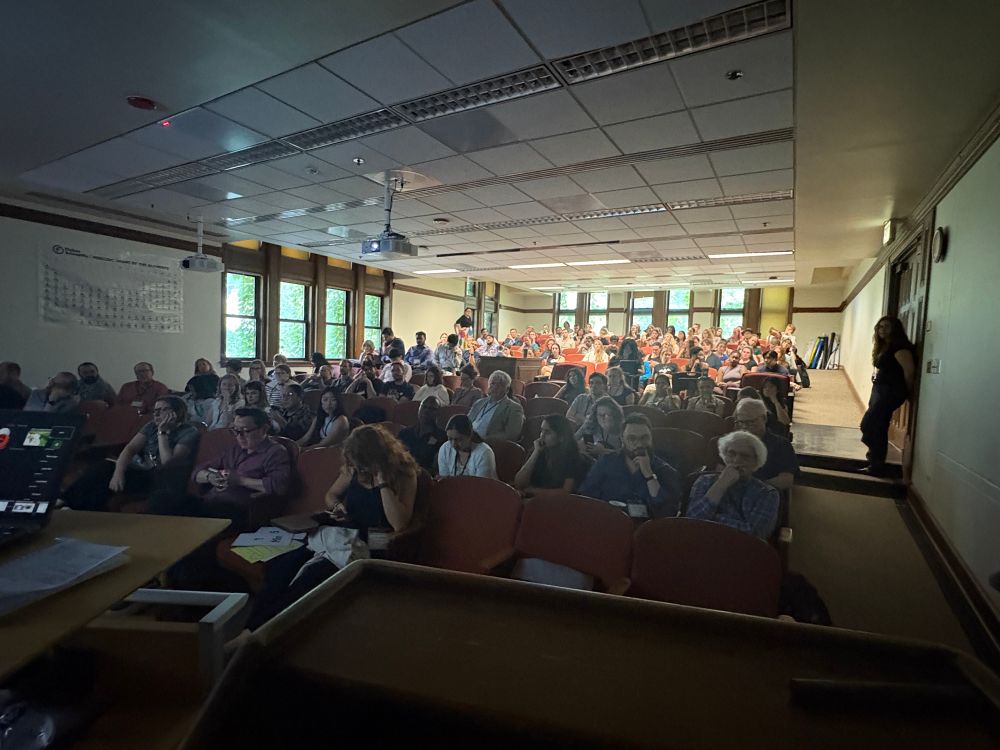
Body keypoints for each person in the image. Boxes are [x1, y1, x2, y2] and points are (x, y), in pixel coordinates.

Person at [242, 425, 417, 632]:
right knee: (282, 569)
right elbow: (331, 495)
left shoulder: (405, 473)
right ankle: (249, 630)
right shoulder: (353, 469)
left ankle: (263, 633)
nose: (360, 470)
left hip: (375, 540)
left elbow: (399, 524)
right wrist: (337, 506)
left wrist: (383, 483)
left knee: (309, 579)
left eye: (363, 465)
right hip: (343, 532)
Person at [63, 395, 199, 512]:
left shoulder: (189, 431)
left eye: (163, 410)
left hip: (158, 477)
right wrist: (118, 473)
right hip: (140, 469)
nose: (156, 414)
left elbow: (167, 463)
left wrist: (162, 433)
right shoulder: (151, 426)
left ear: (176, 412)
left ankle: (74, 507)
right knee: (103, 468)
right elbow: (130, 449)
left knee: (102, 478)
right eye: (155, 410)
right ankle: (68, 504)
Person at [168, 407, 292, 528]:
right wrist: (210, 477)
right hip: (211, 501)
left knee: (187, 516)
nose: (239, 436)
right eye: (236, 430)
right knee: (166, 499)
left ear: (264, 429)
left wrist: (240, 480)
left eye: (245, 431)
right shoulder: (235, 449)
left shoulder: (275, 452)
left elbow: (279, 485)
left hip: (239, 509)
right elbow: (197, 472)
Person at [578, 413, 681, 519]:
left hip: (646, 526)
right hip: (608, 521)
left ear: (651, 438)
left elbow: (667, 513)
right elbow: (586, 497)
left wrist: (649, 475)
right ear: (622, 440)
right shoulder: (606, 463)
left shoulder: (666, 471)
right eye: (632, 438)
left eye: (644, 438)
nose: (639, 444)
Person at [686, 431, 780, 541]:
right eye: (731, 454)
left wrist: (712, 519)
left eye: (745, 456)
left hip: (741, 548)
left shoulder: (767, 493)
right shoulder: (705, 481)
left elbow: (754, 535)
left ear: (756, 462)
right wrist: (721, 484)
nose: (736, 460)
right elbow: (692, 520)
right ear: (724, 457)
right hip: (701, 543)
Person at [861, 315, 915, 475]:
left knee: (871, 424)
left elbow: (909, 371)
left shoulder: (899, 347)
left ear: (894, 329)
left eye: (887, 327)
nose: (882, 330)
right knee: (877, 425)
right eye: (880, 326)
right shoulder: (885, 346)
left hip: (891, 391)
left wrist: (908, 391)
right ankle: (875, 463)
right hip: (880, 389)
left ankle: (875, 462)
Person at [514, 414, 591, 493]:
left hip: (554, 499)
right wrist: (535, 452)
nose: (542, 436)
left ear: (561, 437)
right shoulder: (538, 449)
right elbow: (519, 484)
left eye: (548, 432)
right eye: (542, 431)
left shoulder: (571, 456)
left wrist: (534, 491)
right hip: (532, 496)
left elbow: (566, 491)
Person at [732, 398, 798, 490]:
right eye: (741, 422)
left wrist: (753, 488)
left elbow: (786, 480)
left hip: (765, 493)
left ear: (764, 418)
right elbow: (720, 471)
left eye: (751, 422)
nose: (745, 427)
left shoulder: (781, 444)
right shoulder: (732, 443)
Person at [467, 370, 524, 441]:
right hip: (466, 440)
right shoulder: (479, 402)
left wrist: (483, 440)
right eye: (493, 383)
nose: (495, 387)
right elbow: (466, 422)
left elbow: (511, 435)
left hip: (489, 444)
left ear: (507, 389)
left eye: (500, 385)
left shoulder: (514, 408)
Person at [398, 396, 448, 475]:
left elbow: (437, 467)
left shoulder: (442, 437)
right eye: (424, 407)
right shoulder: (405, 433)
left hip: (425, 476)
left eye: (431, 408)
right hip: (402, 474)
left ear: (438, 413)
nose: (426, 411)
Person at [437, 414, 497, 479]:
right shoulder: (445, 449)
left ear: (470, 436)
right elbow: (445, 480)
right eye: (450, 439)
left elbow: (481, 484)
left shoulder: (484, 453)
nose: (453, 444)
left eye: (459, 440)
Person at [185, 358, 221, 424]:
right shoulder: (194, 380)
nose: (202, 366)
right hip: (197, 400)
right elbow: (189, 391)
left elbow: (219, 391)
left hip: (211, 399)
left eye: (204, 364)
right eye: (199, 365)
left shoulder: (215, 378)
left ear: (209, 365)